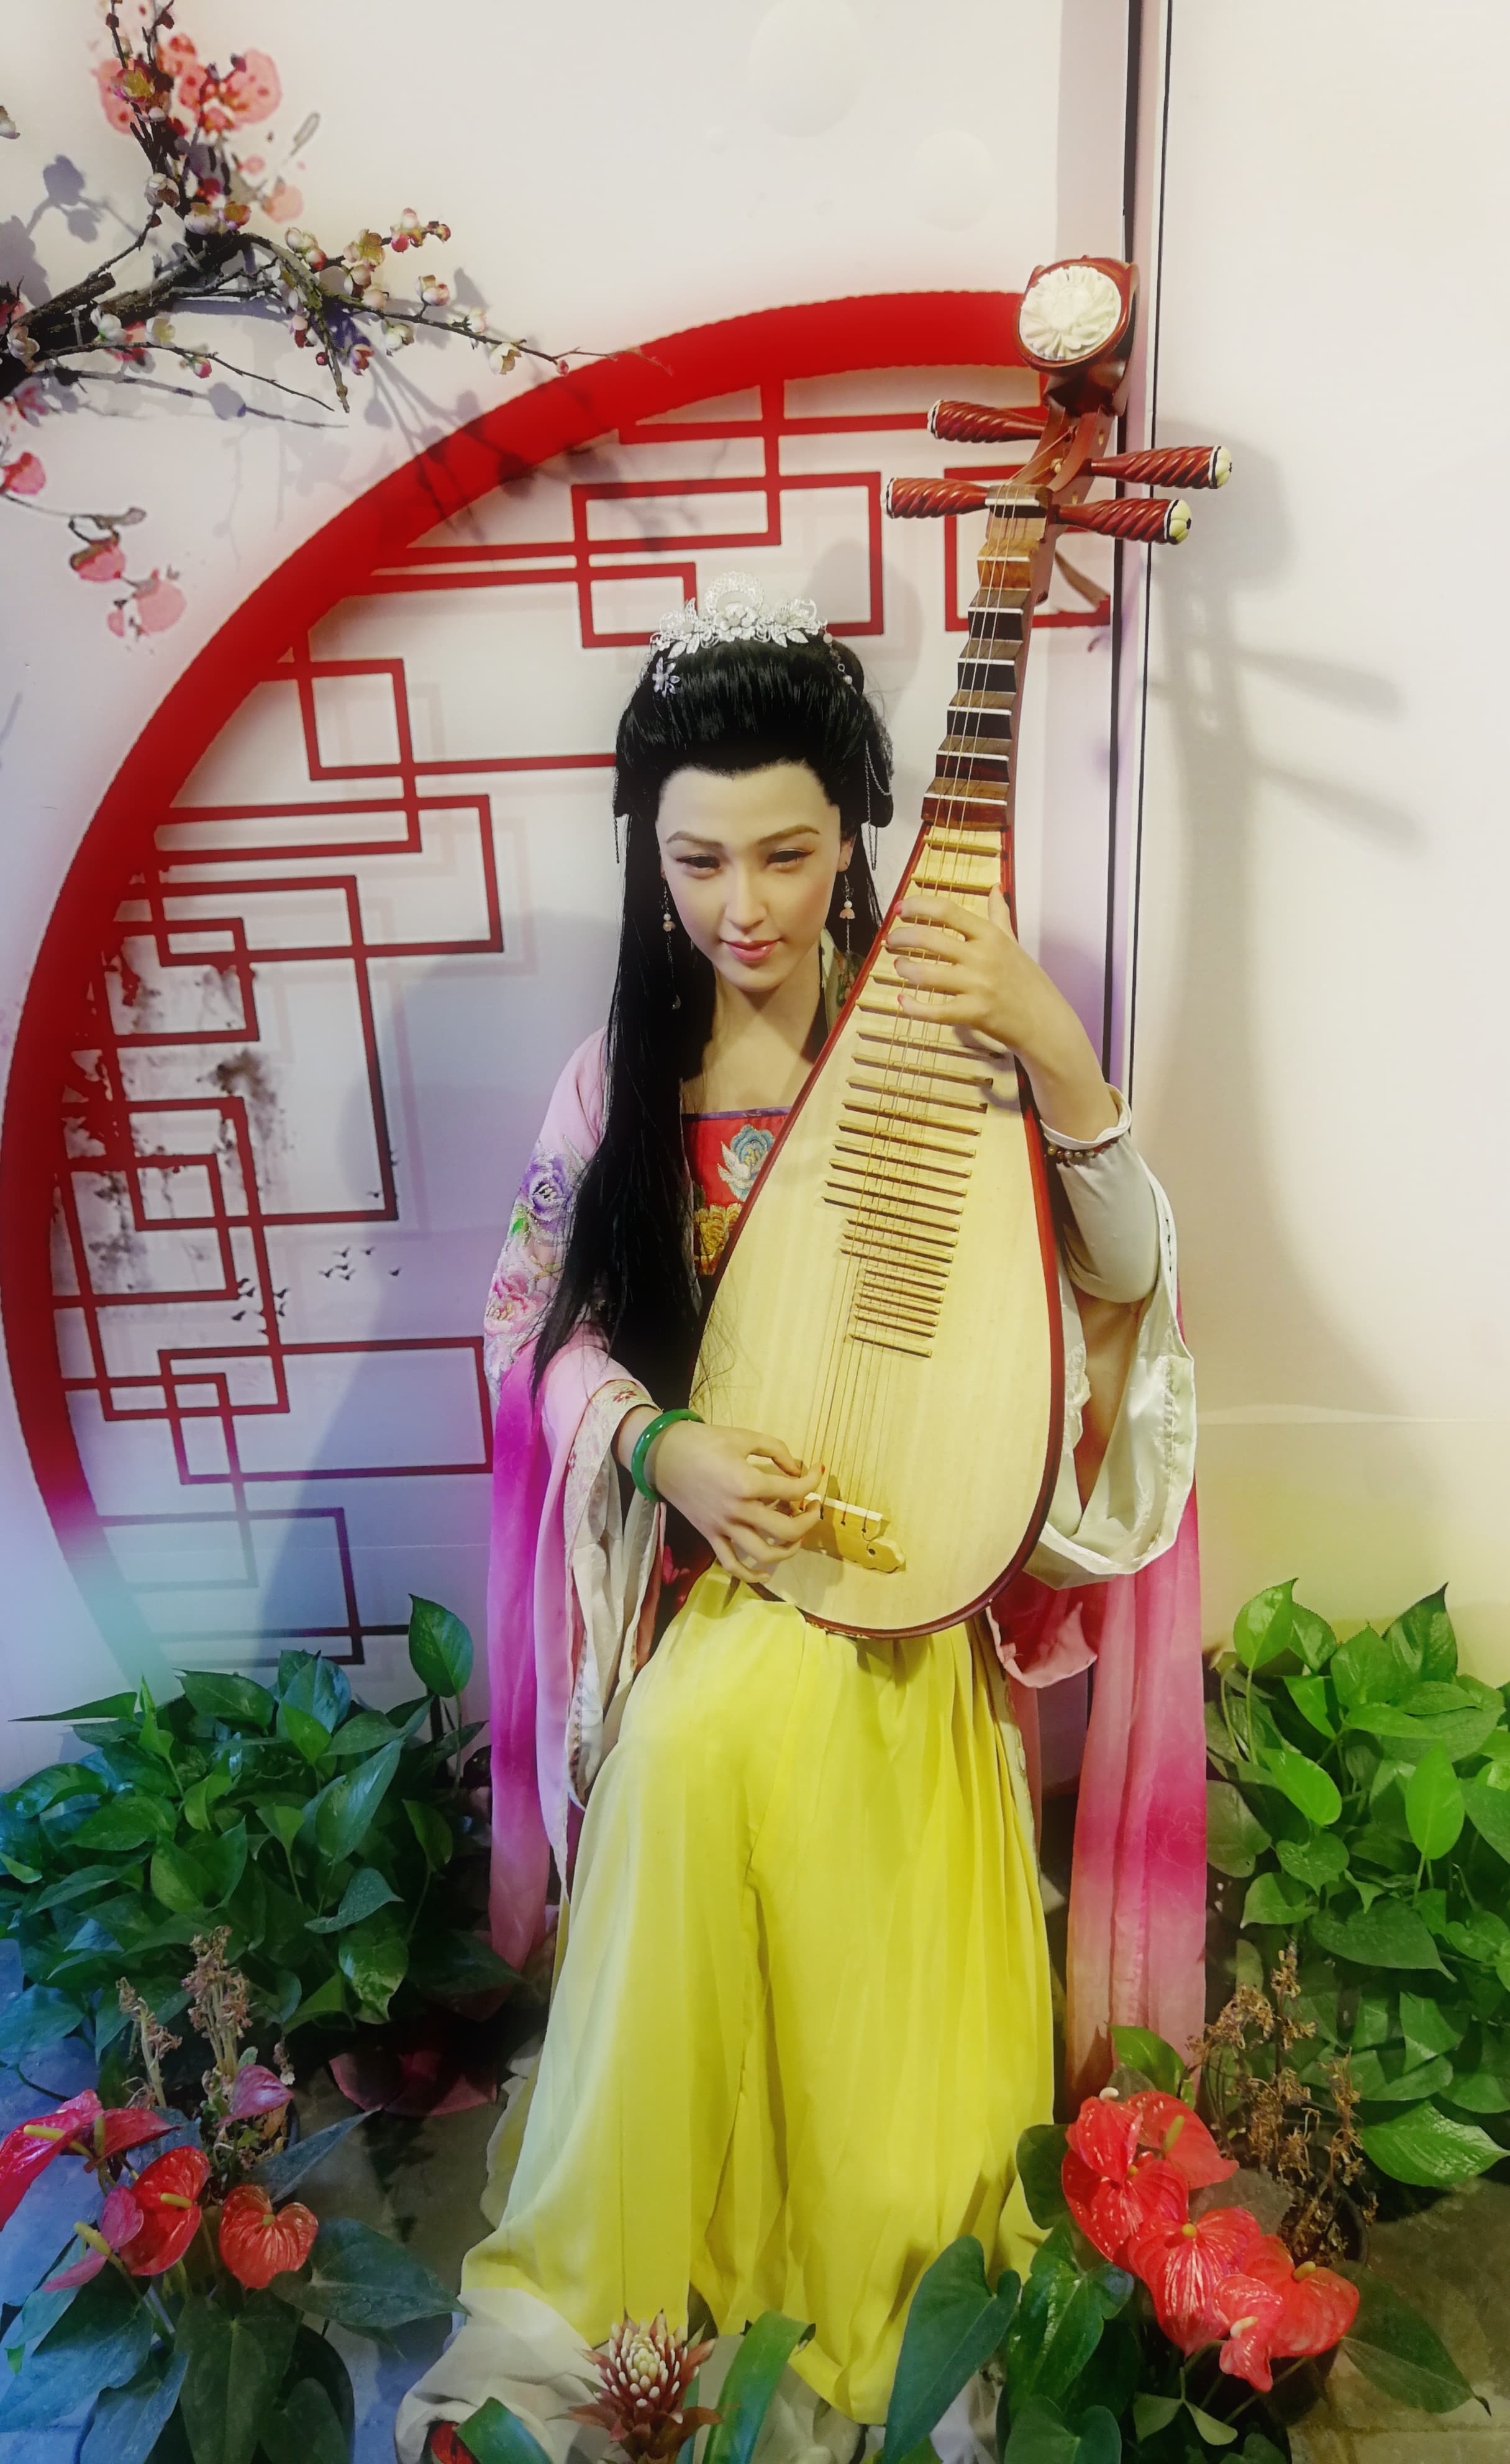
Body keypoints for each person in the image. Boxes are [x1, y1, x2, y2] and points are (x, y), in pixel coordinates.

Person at [397, 574, 1199, 2464]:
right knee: (693, 1754)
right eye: (696, 861)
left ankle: (881, 2277)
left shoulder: (944, 1048)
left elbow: (1123, 1285)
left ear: (857, 839)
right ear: (648, 857)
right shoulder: (626, 1075)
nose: (742, 906)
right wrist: (659, 1443)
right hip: (722, 1586)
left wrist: (1063, 1059)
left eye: (785, 853)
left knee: (812, 1795)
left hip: (914, 1593)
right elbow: (525, 1325)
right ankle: (614, 2279)